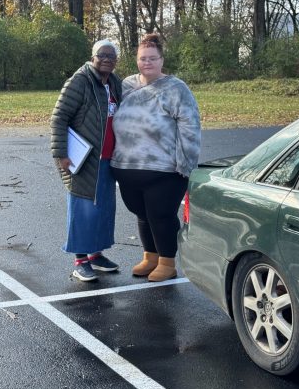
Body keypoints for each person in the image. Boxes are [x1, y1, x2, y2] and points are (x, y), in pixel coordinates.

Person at [110, 33, 201, 282]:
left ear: (161, 60)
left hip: (165, 169)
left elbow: (190, 126)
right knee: (141, 213)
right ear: (136, 60)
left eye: (152, 58)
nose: (147, 62)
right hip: (126, 166)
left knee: (160, 214)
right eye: (142, 58)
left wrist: (187, 162)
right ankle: (150, 256)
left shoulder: (176, 89)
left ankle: (167, 262)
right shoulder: (126, 85)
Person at [50, 39, 122, 282]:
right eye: (102, 55)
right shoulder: (79, 81)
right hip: (82, 160)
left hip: (108, 159)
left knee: (102, 208)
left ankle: (96, 255)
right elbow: (59, 118)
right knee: (83, 210)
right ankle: (80, 260)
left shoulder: (114, 83)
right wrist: (61, 153)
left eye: (111, 56)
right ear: (93, 57)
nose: (106, 59)